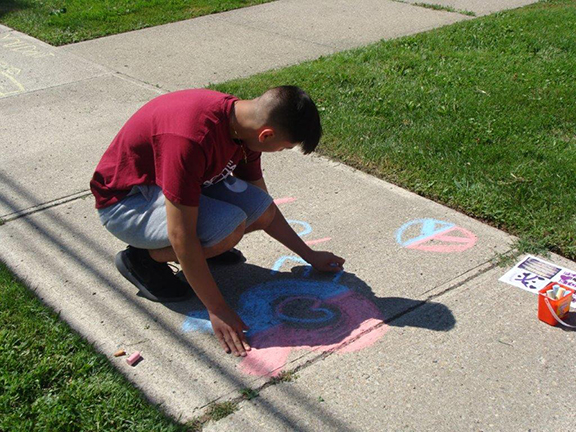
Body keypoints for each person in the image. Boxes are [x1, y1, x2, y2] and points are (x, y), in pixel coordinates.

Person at [90, 86, 345, 357]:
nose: (279, 151)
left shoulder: (243, 129)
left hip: (171, 189)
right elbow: (182, 234)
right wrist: (218, 309)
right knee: (228, 228)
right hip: (127, 202)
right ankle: (144, 260)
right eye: (283, 147)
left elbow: (263, 206)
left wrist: (309, 255)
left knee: (256, 210)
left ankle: (208, 249)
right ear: (266, 134)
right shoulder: (192, 138)